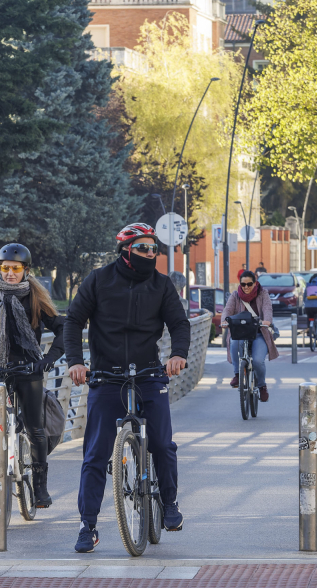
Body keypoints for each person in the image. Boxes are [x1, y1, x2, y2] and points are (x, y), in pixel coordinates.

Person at [63, 222, 190, 553]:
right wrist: (75, 361)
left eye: (154, 249)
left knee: (162, 444)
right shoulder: (98, 280)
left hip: (149, 372)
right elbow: (74, 321)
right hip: (106, 375)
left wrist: (178, 355)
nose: (151, 254)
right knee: (94, 454)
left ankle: (170, 503)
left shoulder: (162, 285)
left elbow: (179, 323)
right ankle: (87, 525)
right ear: (126, 251)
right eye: (143, 249)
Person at [0, 243, 64, 516]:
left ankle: (40, 488)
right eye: (4, 268)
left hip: (29, 369)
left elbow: (65, 329)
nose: (10, 273)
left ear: (26, 270)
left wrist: (48, 359)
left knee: (35, 428)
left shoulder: (36, 298)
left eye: (15, 268)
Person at [222, 271, 275, 401]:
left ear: (255, 283)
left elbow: (267, 309)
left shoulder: (263, 294)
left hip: (258, 333)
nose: (246, 287)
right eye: (243, 284)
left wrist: (267, 320)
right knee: (234, 342)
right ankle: (237, 374)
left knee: (257, 361)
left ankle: (262, 386)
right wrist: (224, 321)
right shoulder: (235, 295)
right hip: (240, 333)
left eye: (249, 284)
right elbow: (227, 310)